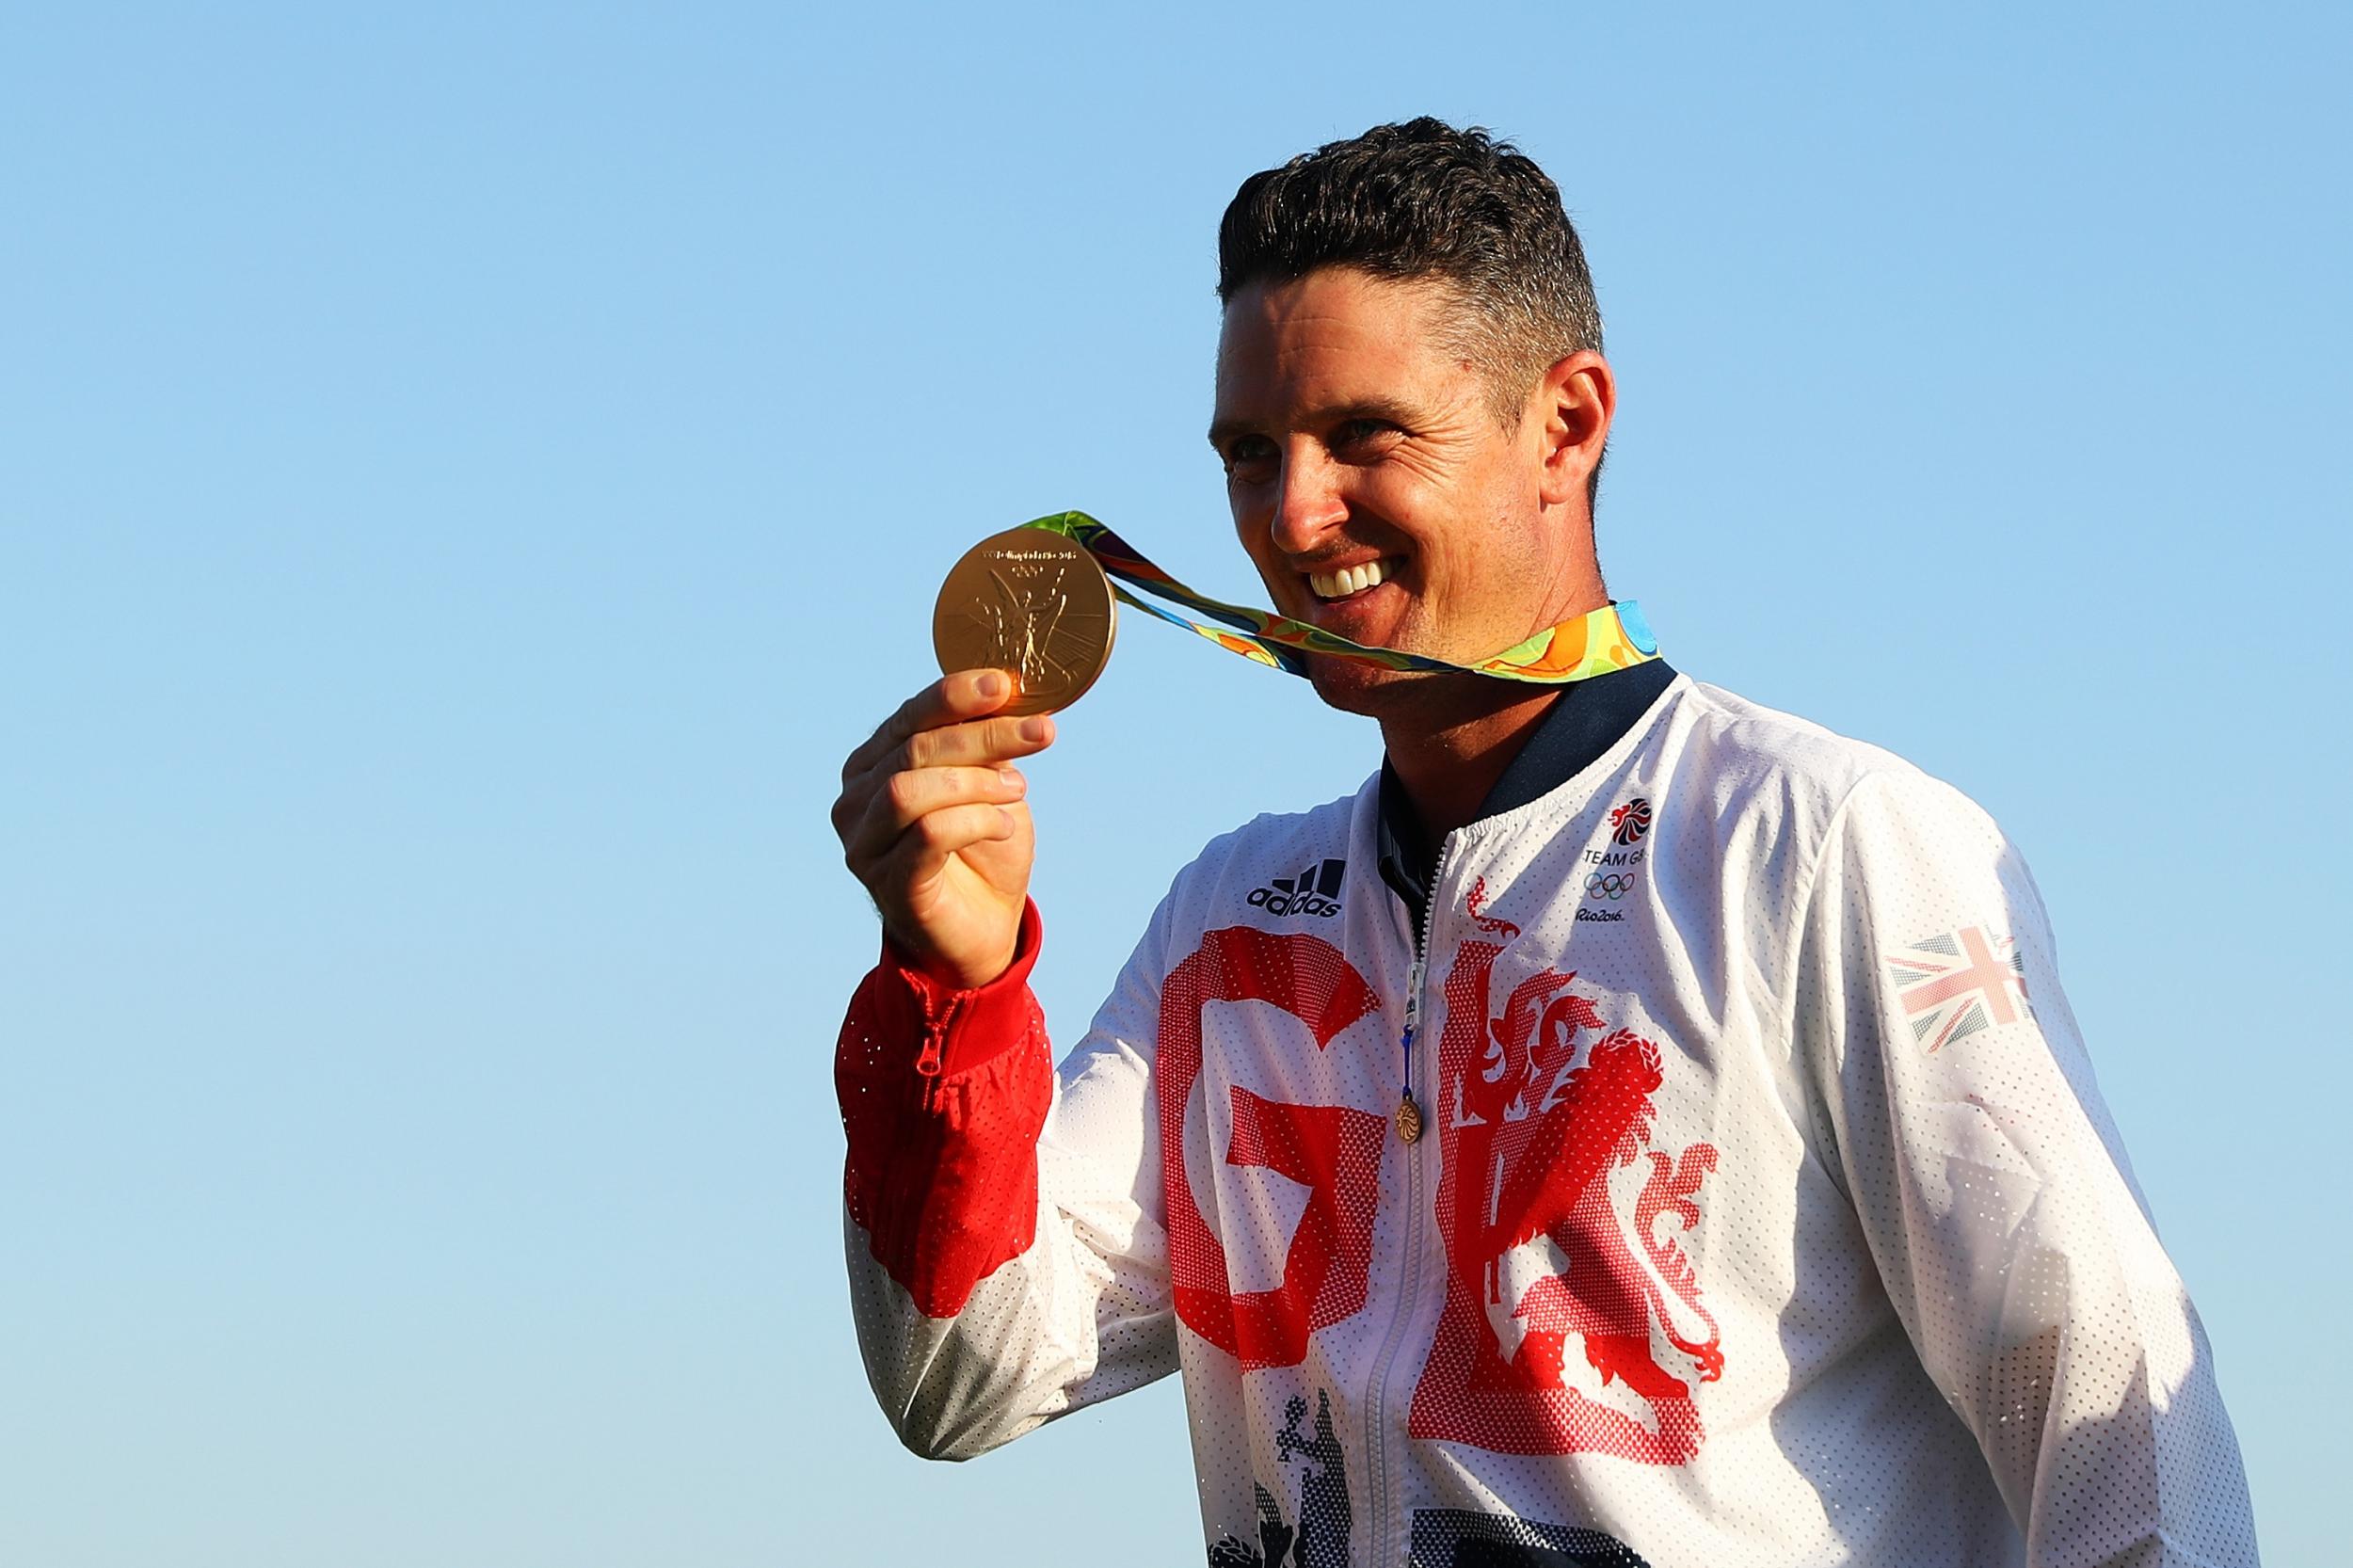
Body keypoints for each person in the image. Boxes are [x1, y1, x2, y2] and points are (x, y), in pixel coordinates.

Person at [828, 119, 2258, 1568]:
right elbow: (965, 1374)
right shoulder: (1227, 921)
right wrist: (951, 990)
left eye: (1364, 436)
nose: (1294, 515)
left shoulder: (1823, 846)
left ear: (1565, 425)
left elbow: (2122, 1430)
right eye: (1252, 454)